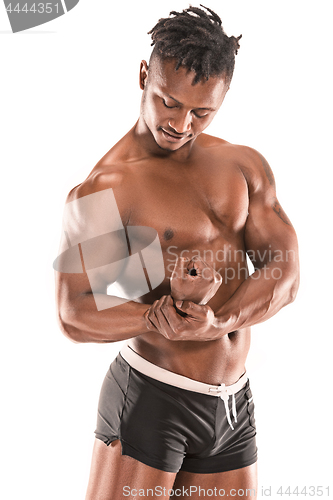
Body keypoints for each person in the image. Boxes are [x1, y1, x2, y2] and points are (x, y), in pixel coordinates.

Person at [55, 5, 300, 499]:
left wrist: (218, 322)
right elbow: (76, 312)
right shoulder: (111, 187)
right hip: (153, 397)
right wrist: (156, 317)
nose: (181, 123)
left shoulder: (240, 166)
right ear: (144, 75)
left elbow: (286, 273)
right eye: (168, 102)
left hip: (232, 406)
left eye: (201, 112)